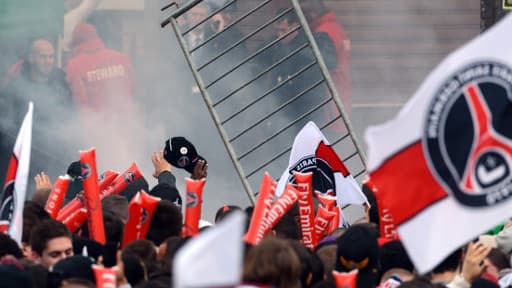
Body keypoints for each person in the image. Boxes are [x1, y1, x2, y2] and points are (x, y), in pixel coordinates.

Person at [302, 0, 352, 117]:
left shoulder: (324, 32)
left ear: (313, 12)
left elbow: (326, 62)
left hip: (330, 90)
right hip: (341, 85)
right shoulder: (335, 28)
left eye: (305, 13)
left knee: (330, 128)